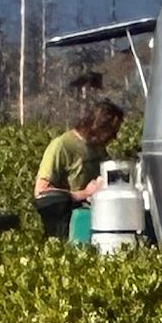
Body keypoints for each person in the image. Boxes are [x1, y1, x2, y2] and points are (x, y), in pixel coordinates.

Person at [32, 80, 125, 240]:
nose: (114, 137)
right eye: (111, 132)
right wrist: (84, 194)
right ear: (98, 127)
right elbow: (41, 193)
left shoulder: (99, 148)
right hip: (68, 228)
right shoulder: (62, 146)